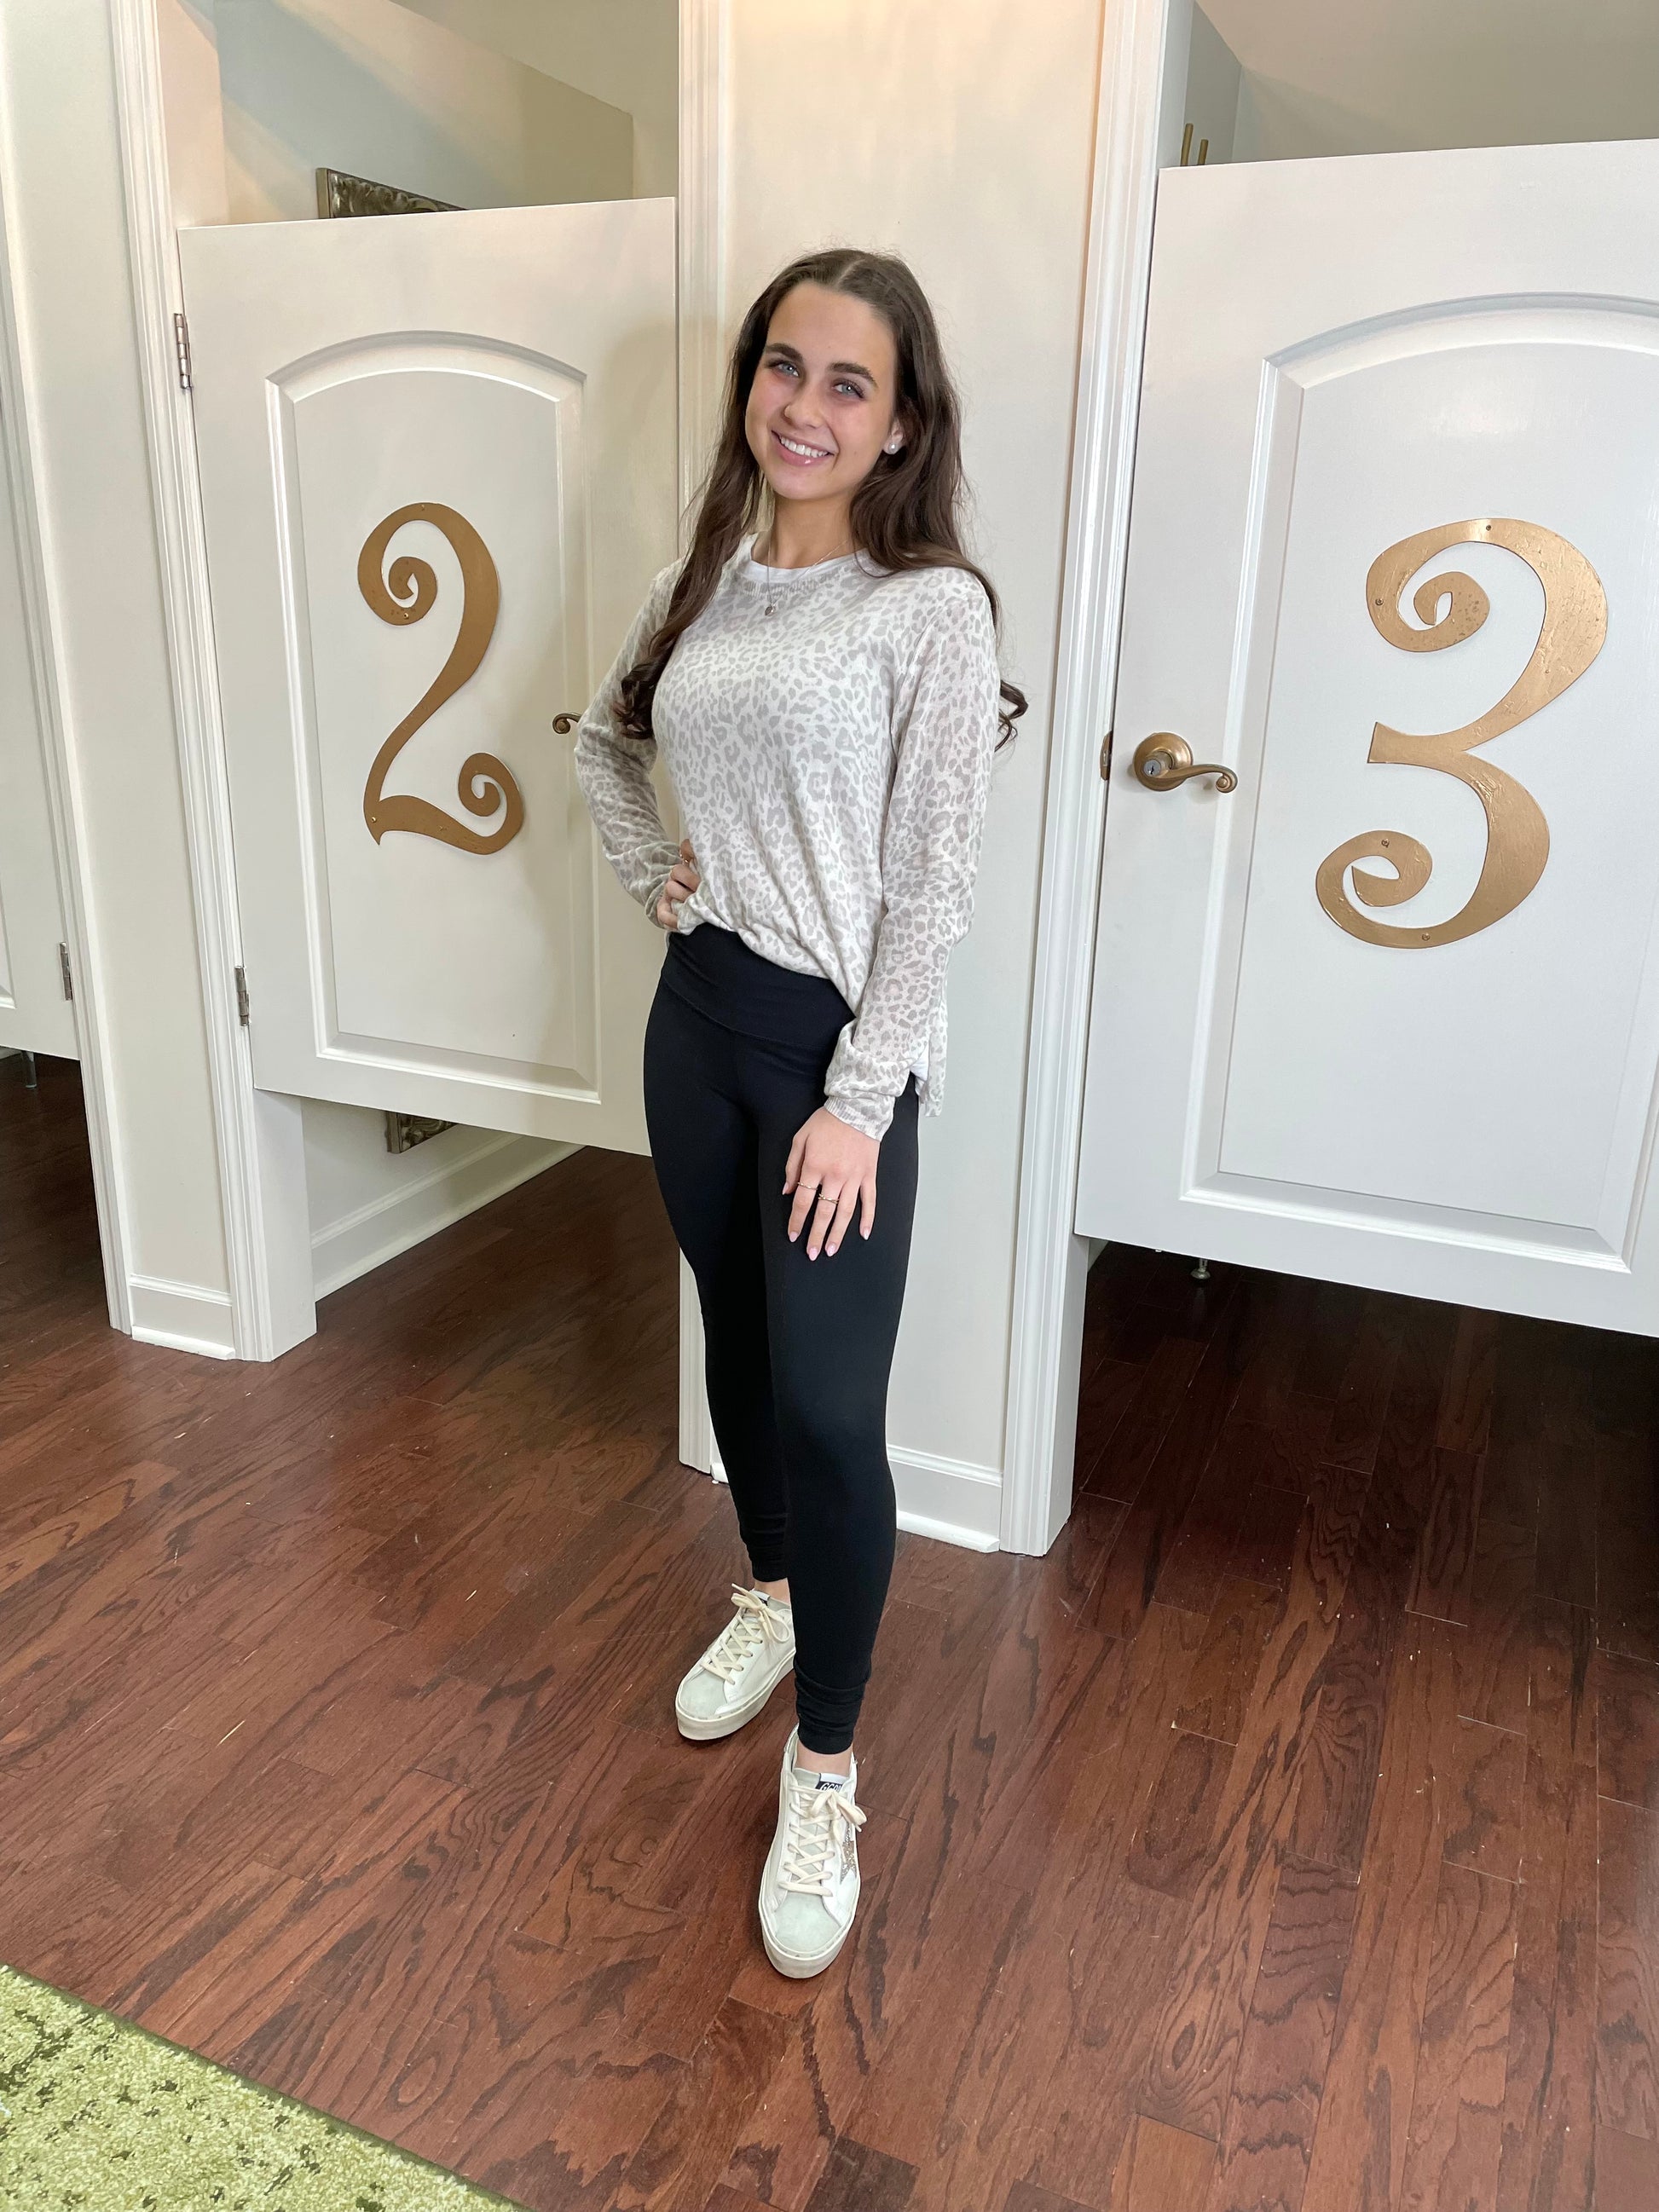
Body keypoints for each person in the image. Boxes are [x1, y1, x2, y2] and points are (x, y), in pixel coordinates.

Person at [575, 245, 1023, 1979]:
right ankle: (765, 1596)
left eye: (849, 381)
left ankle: (824, 1766)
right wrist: (656, 878)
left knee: (832, 1410)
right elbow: (604, 744)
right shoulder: (701, 578)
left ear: (900, 420)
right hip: (697, 1027)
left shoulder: (930, 610)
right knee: (741, 1346)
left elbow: (930, 884)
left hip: (835, 1065)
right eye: (784, 364)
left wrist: (859, 1099)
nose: (806, 405)